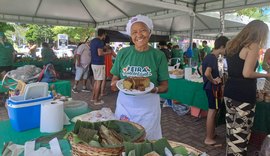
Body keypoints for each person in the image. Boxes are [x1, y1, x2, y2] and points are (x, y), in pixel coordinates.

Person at [110, 14, 169, 140]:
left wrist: (155, 89)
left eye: (142, 30)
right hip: (124, 105)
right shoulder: (123, 53)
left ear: (150, 32)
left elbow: (165, 86)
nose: (139, 35)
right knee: (124, 138)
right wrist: (114, 84)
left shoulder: (158, 56)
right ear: (130, 36)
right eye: (134, 32)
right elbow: (115, 80)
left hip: (148, 106)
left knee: (147, 139)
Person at [224, 20, 269, 156]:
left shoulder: (231, 44)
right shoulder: (253, 46)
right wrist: (267, 75)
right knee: (241, 134)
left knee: (232, 130)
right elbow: (247, 73)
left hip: (230, 91)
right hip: (243, 94)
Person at [201, 36, 229, 146]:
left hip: (211, 88)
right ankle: (208, 138)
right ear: (222, 46)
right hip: (212, 89)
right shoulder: (212, 58)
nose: (227, 51)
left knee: (213, 111)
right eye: (227, 48)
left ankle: (212, 134)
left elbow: (201, 69)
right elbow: (207, 73)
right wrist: (213, 81)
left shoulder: (211, 57)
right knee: (212, 112)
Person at [90, 29, 111, 105]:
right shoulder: (100, 42)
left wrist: (104, 49)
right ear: (103, 34)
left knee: (96, 81)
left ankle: (93, 98)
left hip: (93, 63)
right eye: (105, 35)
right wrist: (108, 52)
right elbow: (100, 53)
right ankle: (96, 100)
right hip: (99, 63)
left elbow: (96, 50)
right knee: (99, 82)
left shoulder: (93, 41)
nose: (105, 36)